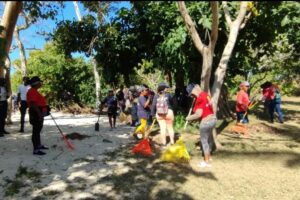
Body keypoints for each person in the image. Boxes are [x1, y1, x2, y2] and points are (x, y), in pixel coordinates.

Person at [185, 84, 217, 168]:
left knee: (204, 142)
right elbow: (211, 107)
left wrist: (188, 118)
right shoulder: (206, 95)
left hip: (206, 122)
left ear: (194, 90)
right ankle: (209, 158)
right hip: (213, 119)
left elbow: (199, 114)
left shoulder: (199, 99)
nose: (192, 96)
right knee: (209, 139)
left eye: (192, 94)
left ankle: (206, 162)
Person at [27, 76, 50, 155]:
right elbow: (33, 104)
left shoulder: (35, 91)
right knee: (36, 131)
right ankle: (36, 149)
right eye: (40, 82)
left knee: (38, 130)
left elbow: (40, 101)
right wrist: (39, 114)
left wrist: (47, 96)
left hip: (38, 112)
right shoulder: (32, 91)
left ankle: (39, 145)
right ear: (36, 83)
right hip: (35, 113)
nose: (41, 83)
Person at [151, 82, 175, 147]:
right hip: (169, 112)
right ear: (164, 88)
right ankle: (172, 142)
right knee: (170, 128)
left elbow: (153, 106)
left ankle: (164, 143)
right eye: (166, 88)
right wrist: (174, 110)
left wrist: (153, 115)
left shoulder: (156, 95)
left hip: (159, 114)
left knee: (162, 128)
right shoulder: (169, 95)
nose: (167, 89)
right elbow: (174, 103)